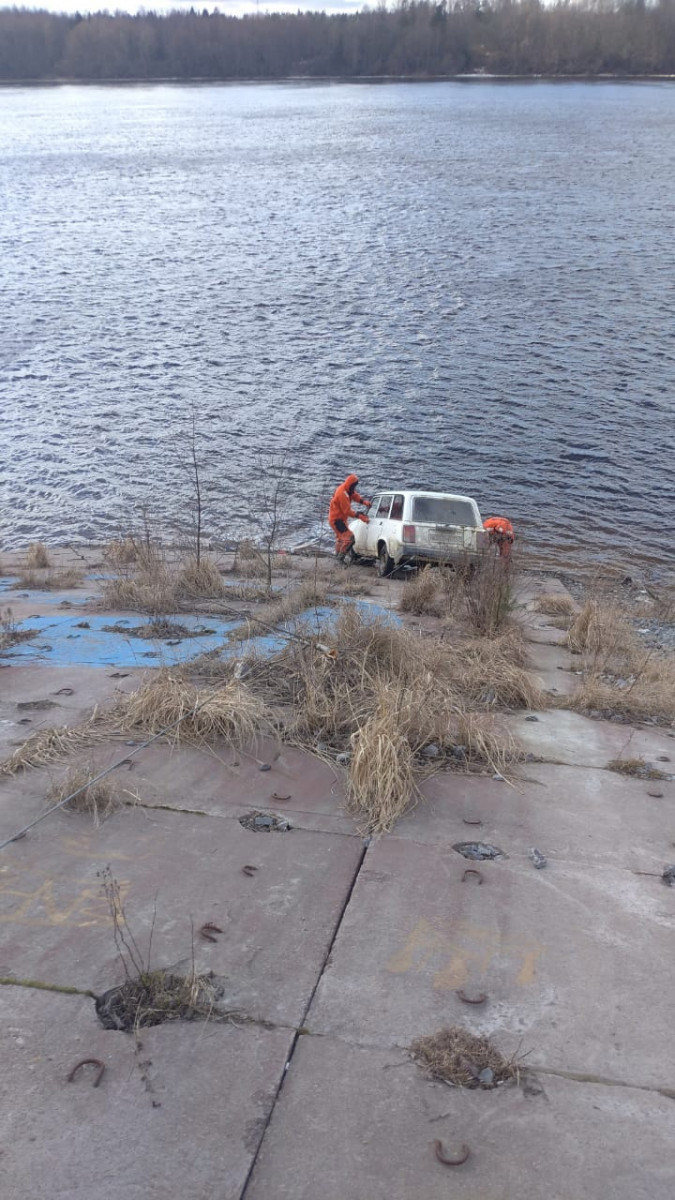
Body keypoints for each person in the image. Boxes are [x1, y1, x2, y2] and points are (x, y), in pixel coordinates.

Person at [329, 474, 371, 560]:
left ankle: (337, 556)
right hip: (337, 520)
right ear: (350, 485)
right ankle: (340, 558)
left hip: (339, 519)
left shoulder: (347, 489)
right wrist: (359, 516)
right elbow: (347, 511)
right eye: (353, 486)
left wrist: (363, 502)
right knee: (350, 538)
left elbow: (354, 495)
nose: (354, 488)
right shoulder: (342, 494)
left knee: (341, 538)